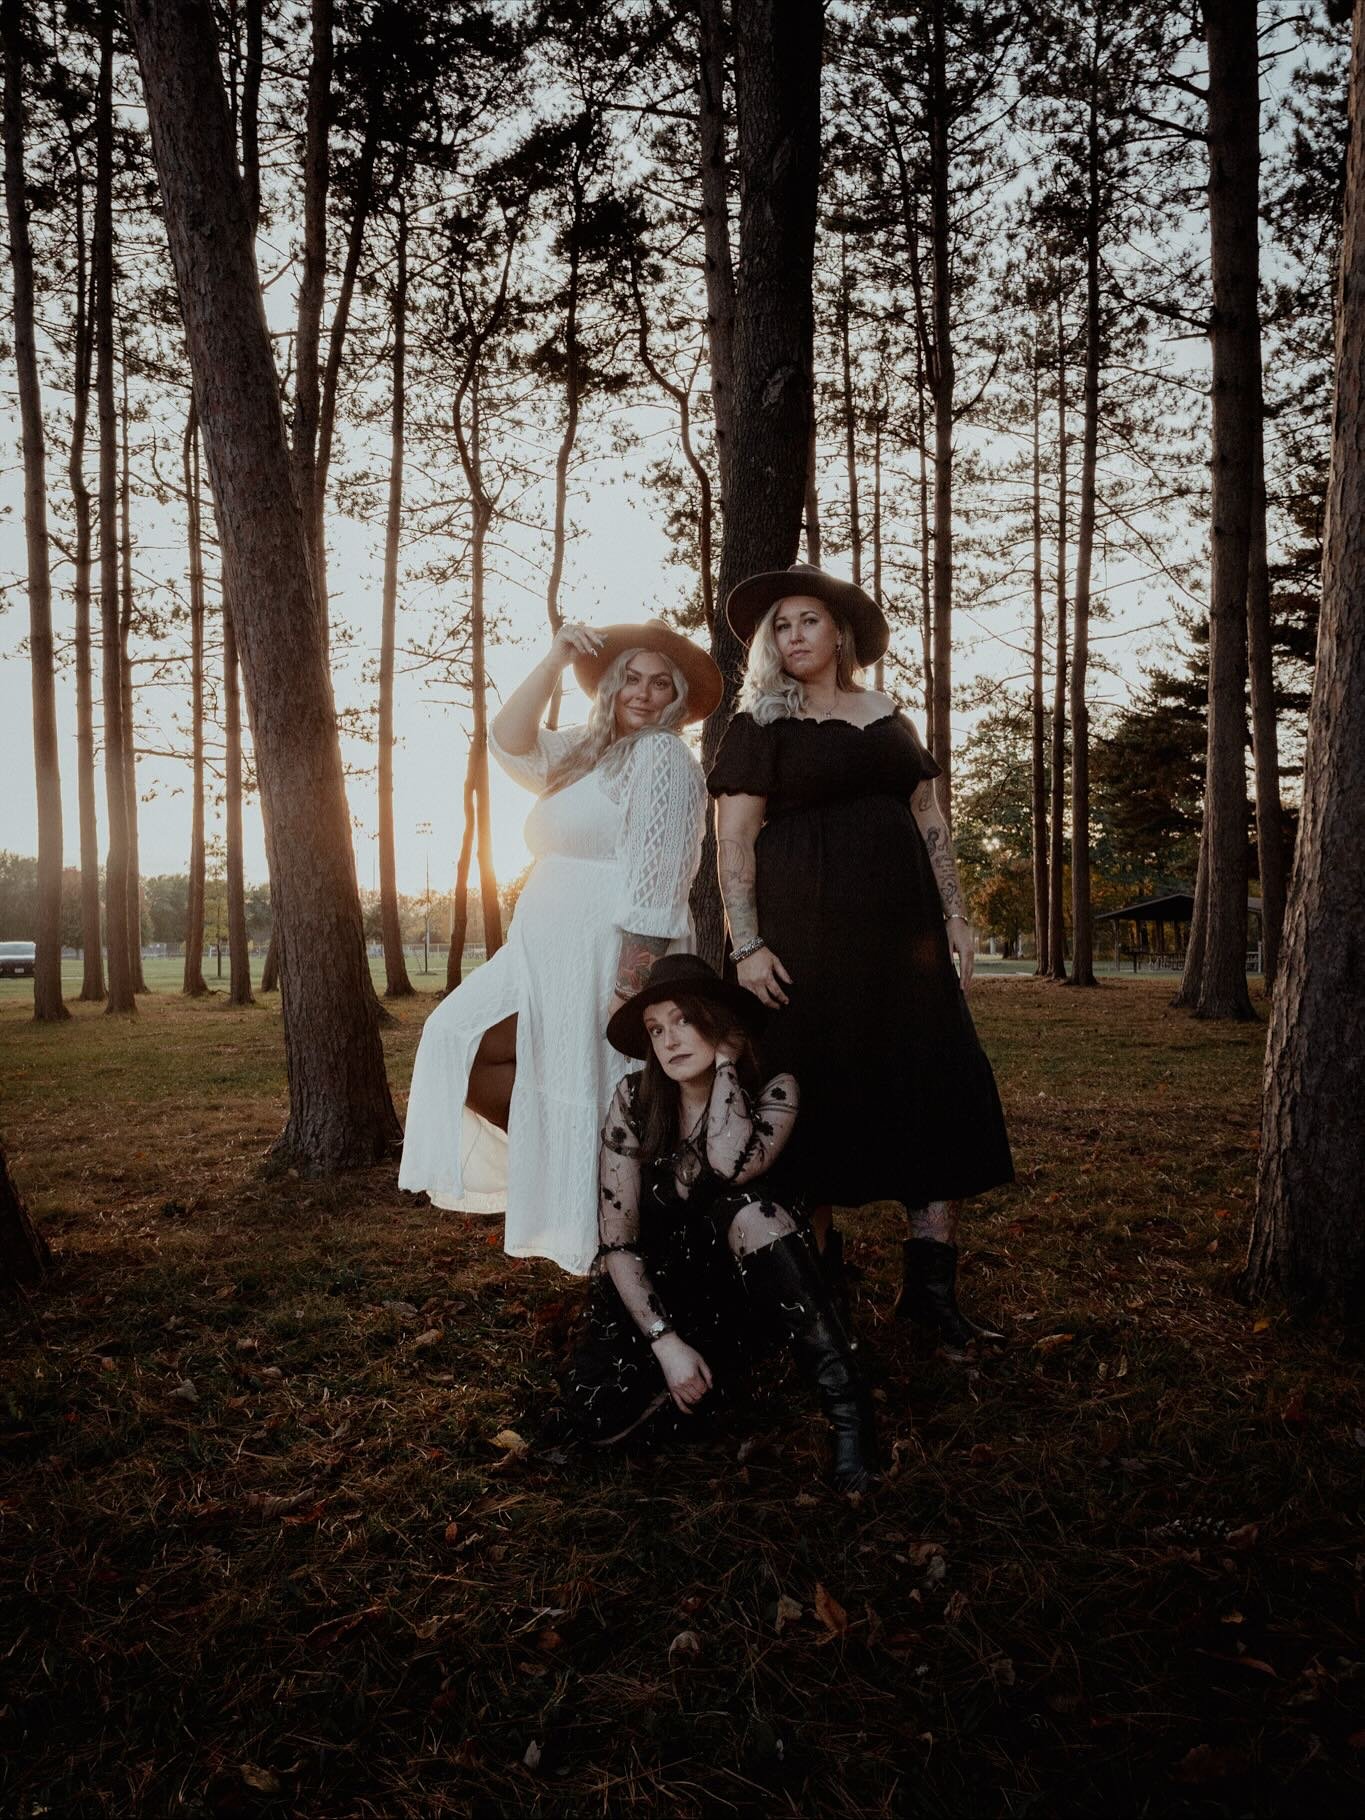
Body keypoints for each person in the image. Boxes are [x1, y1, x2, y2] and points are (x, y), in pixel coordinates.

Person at [707, 562, 1013, 1359]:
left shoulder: (886, 717)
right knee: (810, 1096)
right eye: (780, 625)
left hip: (903, 945)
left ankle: (930, 1294)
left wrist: (955, 912)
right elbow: (732, 840)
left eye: (807, 621)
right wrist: (746, 945)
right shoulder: (759, 725)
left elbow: (928, 816)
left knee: (933, 1081)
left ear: (839, 633)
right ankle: (816, 1298)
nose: (794, 636)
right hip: (802, 950)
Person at [398, 618, 721, 1277]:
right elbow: (507, 741)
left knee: (598, 1081)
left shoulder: (663, 759)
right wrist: (550, 659)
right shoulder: (586, 751)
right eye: (630, 676)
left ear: (676, 701)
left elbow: (659, 884)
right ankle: (572, 1178)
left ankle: (619, 1242)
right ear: (607, 686)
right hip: (536, 950)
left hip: (606, 950)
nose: (643, 691)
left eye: (661, 684)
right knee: (457, 1041)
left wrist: (631, 988)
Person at [557, 953, 879, 1492]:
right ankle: (699, 1371)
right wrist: (665, 1342)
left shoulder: (775, 1092)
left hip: (744, 1290)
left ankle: (849, 1406)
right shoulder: (635, 1101)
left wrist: (728, 1065)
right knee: (603, 1423)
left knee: (749, 1210)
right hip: (663, 1297)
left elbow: (730, 1166)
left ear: (717, 1022)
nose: (670, 1040)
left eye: (684, 1019)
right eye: (656, 1029)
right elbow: (617, 1240)